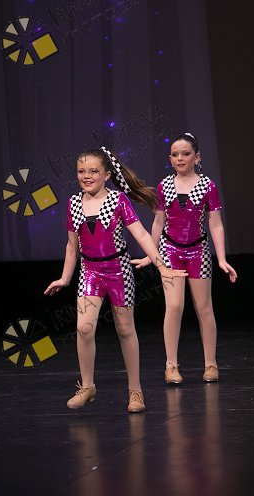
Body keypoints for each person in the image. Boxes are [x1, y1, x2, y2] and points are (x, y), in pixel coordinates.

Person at [45, 147, 187, 413]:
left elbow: (141, 235)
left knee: (125, 329)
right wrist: (65, 278)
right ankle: (87, 386)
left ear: (107, 175)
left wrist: (162, 266)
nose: (87, 176)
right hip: (90, 272)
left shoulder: (118, 200)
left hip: (118, 271)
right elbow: (72, 247)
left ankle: (135, 390)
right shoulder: (74, 203)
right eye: (81, 171)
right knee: (83, 328)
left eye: (93, 171)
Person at [133, 133, 237, 384]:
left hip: (198, 251)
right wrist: (151, 255)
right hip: (170, 250)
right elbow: (158, 222)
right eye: (175, 155)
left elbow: (215, 224)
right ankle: (171, 365)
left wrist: (221, 259)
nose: (180, 158)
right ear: (170, 159)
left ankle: (210, 364)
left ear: (197, 157)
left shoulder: (208, 185)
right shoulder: (164, 186)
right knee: (174, 306)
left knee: (204, 308)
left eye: (186, 154)